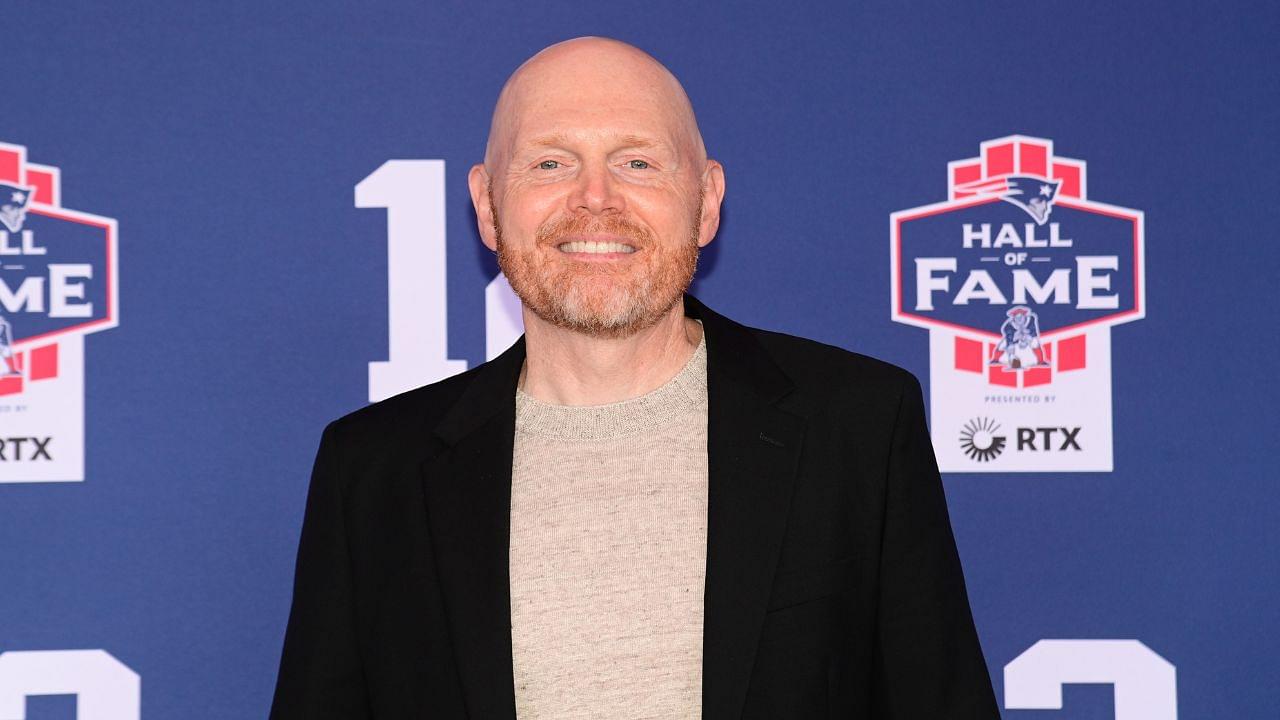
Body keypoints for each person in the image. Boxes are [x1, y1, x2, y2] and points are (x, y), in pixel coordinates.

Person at [270, 36, 999, 719]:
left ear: (707, 201)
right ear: (488, 207)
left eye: (638, 163)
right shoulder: (371, 472)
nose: (595, 197)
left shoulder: (860, 428)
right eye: (551, 163)